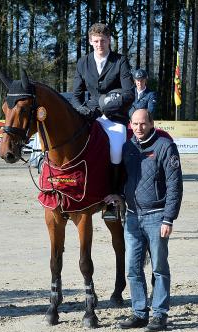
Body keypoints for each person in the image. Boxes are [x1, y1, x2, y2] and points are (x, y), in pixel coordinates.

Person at [105, 108, 183, 332]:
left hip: (157, 217)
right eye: (135, 124)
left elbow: (175, 187)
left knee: (159, 268)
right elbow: (123, 180)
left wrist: (168, 218)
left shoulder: (165, 147)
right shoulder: (127, 147)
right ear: (130, 124)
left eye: (143, 124)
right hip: (131, 217)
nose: (138, 128)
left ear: (152, 124)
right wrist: (117, 195)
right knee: (132, 267)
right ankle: (139, 312)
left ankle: (159, 314)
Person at [71, 22, 134, 221]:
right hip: (89, 115)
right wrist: (82, 110)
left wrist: (106, 105)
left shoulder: (120, 61)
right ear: (90, 42)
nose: (100, 44)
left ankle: (113, 201)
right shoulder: (83, 62)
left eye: (103, 41)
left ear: (109, 41)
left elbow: (129, 93)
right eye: (96, 41)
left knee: (116, 151)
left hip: (114, 117)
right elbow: (76, 95)